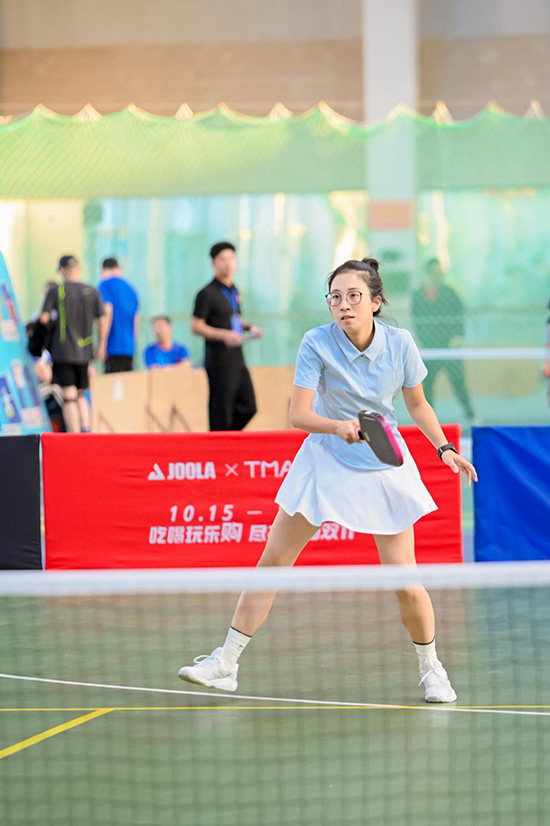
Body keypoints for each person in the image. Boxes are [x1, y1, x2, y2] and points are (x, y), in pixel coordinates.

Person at [178, 257, 477, 703]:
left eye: (354, 296)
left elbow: (416, 404)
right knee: (272, 562)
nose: (344, 305)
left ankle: (432, 668)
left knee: (404, 581)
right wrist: (337, 427)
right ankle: (226, 663)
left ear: (376, 302)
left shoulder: (400, 343)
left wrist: (444, 447)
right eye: (335, 297)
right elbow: (298, 414)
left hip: (382, 462)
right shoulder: (316, 342)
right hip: (325, 460)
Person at [191, 241, 263, 431]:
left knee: (249, 406)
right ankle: (219, 445)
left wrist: (249, 327)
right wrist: (224, 335)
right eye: (222, 259)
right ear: (213, 263)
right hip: (218, 360)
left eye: (231, 258)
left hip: (237, 357)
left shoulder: (233, 291)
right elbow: (196, 326)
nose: (228, 263)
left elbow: (234, 320)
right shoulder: (206, 293)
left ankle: (229, 439)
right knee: (221, 411)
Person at [39, 255, 107, 433]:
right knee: (81, 392)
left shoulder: (56, 291)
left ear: (62, 270)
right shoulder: (92, 291)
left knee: (68, 394)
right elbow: (102, 319)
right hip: (84, 352)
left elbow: (44, 318)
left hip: (63, 351)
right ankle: (86, 430)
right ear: (78, 269)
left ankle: (74, 434)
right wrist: (102, 345)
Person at [411, 258, 475, 420]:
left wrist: (458, 336)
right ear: (427, 273)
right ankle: (429, 419)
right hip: (429, 345)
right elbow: (416, 320)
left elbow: (459, 315)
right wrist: (421, 340)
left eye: (439, 273)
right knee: (427, 383)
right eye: (433, 272)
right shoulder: (418, 295)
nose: (437, 276)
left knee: (458, 381)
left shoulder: (450, 293)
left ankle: (470, 414)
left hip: (449, 345)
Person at [97, 257, 139, 374]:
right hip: (129, 348)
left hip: (113, 346)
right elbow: (136, 320)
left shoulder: (104, 285)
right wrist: (133, 344)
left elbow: (107, 313)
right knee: (127, 382)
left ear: (103, 270)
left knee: (113, 383)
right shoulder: (131, 289)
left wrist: (102, 343)